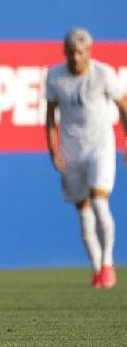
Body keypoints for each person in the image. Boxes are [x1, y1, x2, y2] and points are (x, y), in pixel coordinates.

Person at [45, 27, 127, 289]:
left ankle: (107, 264)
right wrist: (53, 149)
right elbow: (49, 116)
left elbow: (123, 105)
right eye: (71, 52)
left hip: (100, 147)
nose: (76, 58)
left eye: (80, 52)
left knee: (100, 203)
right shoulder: (55, 76)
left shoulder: (103, 74)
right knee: (83, 211)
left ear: (88, 52)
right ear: (65, 52)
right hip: (71, 150)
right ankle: (96, 270)